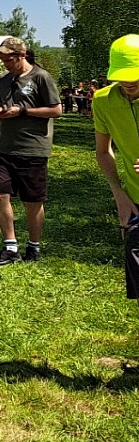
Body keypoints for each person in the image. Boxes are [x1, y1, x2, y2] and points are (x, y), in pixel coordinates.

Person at [0, 37, 62, 265]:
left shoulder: (41, 77)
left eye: (7, 59)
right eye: (1, 58)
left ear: (21, 56)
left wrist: (22, 111)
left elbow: (56, 110)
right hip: (3, 147)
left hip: (33, 149)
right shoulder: (2, 80)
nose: (3, 63)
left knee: (33, 201)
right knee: (0, 195)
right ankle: (10, 247)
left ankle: (34, 246)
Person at [92, 34, 139, 302]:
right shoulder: (103, 100)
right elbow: (102, 151)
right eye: (123, 74)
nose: (129, 81)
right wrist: (118, 194)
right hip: (135, 202)